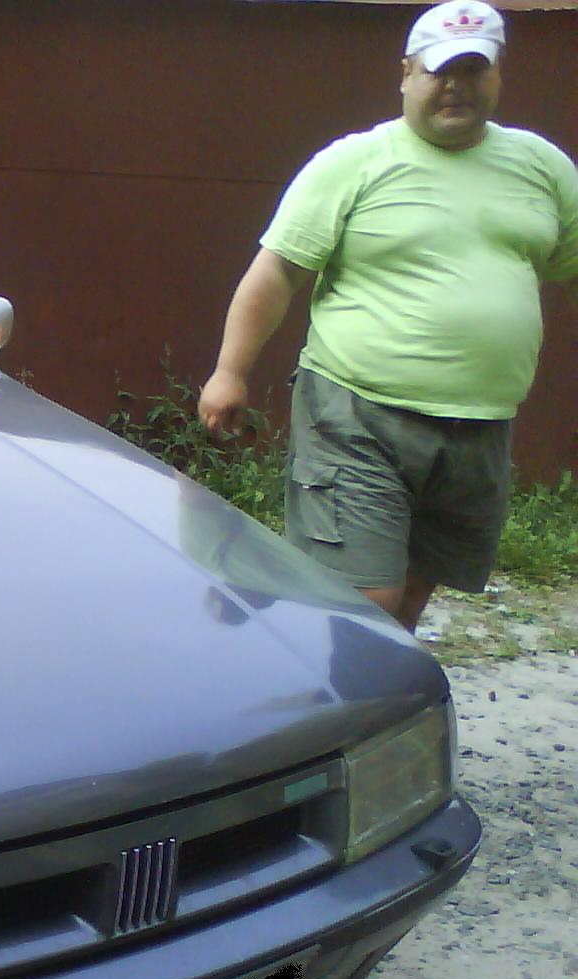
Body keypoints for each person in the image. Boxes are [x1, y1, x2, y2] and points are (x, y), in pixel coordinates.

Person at [197, 1, 578, 632]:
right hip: (357, 411)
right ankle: (326, 670)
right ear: (406, 74)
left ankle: (351, 674)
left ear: (498, 73)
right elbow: (277, 273)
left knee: (416, 584)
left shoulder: (542, 166)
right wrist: (229, 372)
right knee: (367, 599)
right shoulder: (356, 162)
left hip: (479, 423)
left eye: (473, 69)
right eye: (439, 71)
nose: (455, 86)